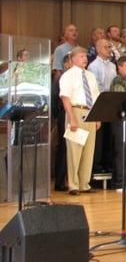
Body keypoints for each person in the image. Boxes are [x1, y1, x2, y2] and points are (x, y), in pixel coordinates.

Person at [59, 46, 100, 195]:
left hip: (90, 112)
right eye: (81, 56)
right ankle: (73, 185)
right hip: (76, 110)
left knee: (88, 150)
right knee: (75, 150)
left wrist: (97, 117)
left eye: (85, 56)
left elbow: (95, 97)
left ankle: (84, 183)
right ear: (73, 58)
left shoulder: (90, 75)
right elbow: (65, 97)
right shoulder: (69, 75)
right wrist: (72, 119)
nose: (85, 58)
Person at [88, 38, 117, 174]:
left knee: (110, 136)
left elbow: (115, 83)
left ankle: (108, 165)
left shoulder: (112, 66)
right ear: (98, 49)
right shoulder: (93, 66)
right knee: (99, 138)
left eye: (110, 47)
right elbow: (96, 86)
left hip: (112, 104)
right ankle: (97, 168)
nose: (109, 49)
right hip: (100, 103)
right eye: (106, 47)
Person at [109, 56, 126, 190]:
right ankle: (121, 182)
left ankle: (125, 180)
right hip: (120, 120)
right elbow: (120, 102)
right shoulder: (118, 82)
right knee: (122, 151)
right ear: (119, 67)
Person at [52, 54, 71, 191]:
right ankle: (60, 181)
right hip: (63, 113)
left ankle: (69, 179)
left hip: (70, 112)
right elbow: (55, 98)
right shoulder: (62, 77)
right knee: (63, 147)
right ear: (66, 64)